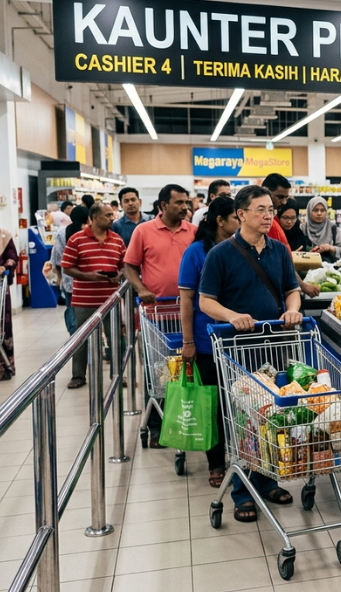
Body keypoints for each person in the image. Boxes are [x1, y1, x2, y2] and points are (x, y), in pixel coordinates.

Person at [199, 185, 303, 522]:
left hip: (274, 346)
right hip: (236, 349)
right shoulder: (221, 254)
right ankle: (243, 491)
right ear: (241, 214)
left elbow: (292, 290)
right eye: (260, 209)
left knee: (273, 416)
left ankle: (270, 479)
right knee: (244, 419)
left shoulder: (278, 250)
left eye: (270, 208)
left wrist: (291, 310)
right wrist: (231, 316)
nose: (268, 215)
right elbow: (205, 300)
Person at [124, 184, 197, 447]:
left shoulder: (194, 232)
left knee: (188, 371)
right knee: (159, 373)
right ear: (163, 206)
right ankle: (156, 427)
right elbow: (129, 266)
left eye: (186, 202)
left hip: (189, 313)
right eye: (178, 202)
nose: (184, 207)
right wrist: (142, 289)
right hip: (158, 314)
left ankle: (188, 419)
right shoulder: (143, 231)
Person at [178, 197, 238, 489]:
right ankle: (215, 463)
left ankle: (242, 457)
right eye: (235, 217)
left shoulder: (240, 250)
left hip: (239, 341)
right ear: (220, 221)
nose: (240, 222)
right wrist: (188, 341)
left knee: (239, 404)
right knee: (213, 406)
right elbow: (187, 301)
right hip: (206, 341)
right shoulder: (196, 253)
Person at [61, 203, 125, 389]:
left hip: (110, 299)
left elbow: (124, 263)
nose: (112, 218)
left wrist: (120, 274)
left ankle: (118, 374)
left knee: (116, 338)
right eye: (107, 215)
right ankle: (78, 376)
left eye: (112, 215)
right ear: (94, 218)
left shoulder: (117, 240)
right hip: (84, 300)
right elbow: (67, 267)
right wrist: (90, 276)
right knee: (81, 339)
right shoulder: (76, 240)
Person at [51, 206, 89, 335]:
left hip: (69, 281)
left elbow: (56, 257)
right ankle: (90, 337)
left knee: (71, 309)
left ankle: (75, 337)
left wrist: (58, 276)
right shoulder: (92, 232)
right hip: (90, 280)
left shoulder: (62, 233)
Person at [300, 196, 341, 263]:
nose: (319, 213)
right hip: (306, 268)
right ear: (309, 211)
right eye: (315, 210)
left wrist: (329, 248)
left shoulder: (333, 228)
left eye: (322, 210)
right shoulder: (302, 228)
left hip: (329, 270)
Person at [0, 229, 17, 381]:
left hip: (0, 288)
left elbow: (12, 258)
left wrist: (5, 267)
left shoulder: (4, 236)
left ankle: (4, 366)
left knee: (2, 327)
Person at [260, 173, 294, 249]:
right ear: (265, 192)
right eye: (280, 197)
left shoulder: (274, 218)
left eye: (286, 198)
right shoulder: (260, 221)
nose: (284, 202)